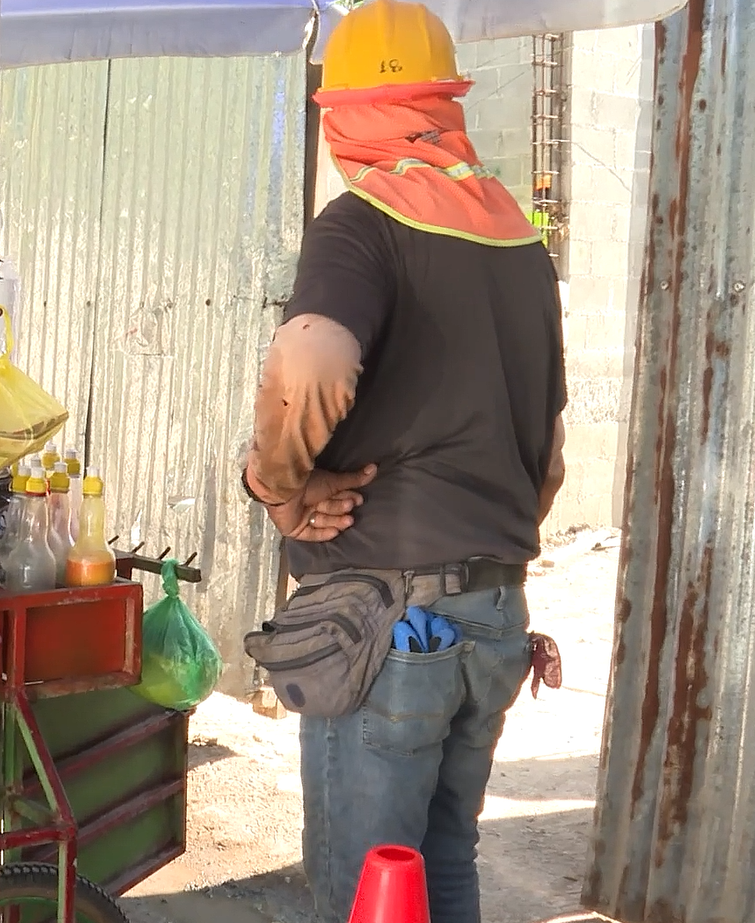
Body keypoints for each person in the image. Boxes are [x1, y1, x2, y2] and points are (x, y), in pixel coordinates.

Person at [241, 3, 567, 922]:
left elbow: (308, 361)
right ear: (443, 102)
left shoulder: (360, 224)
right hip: (496, 615)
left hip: (391, 626)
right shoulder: (520, 244)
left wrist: (281, 484)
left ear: (342, 113)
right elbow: (546, 458)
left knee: (362, 884)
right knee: (442, 861)